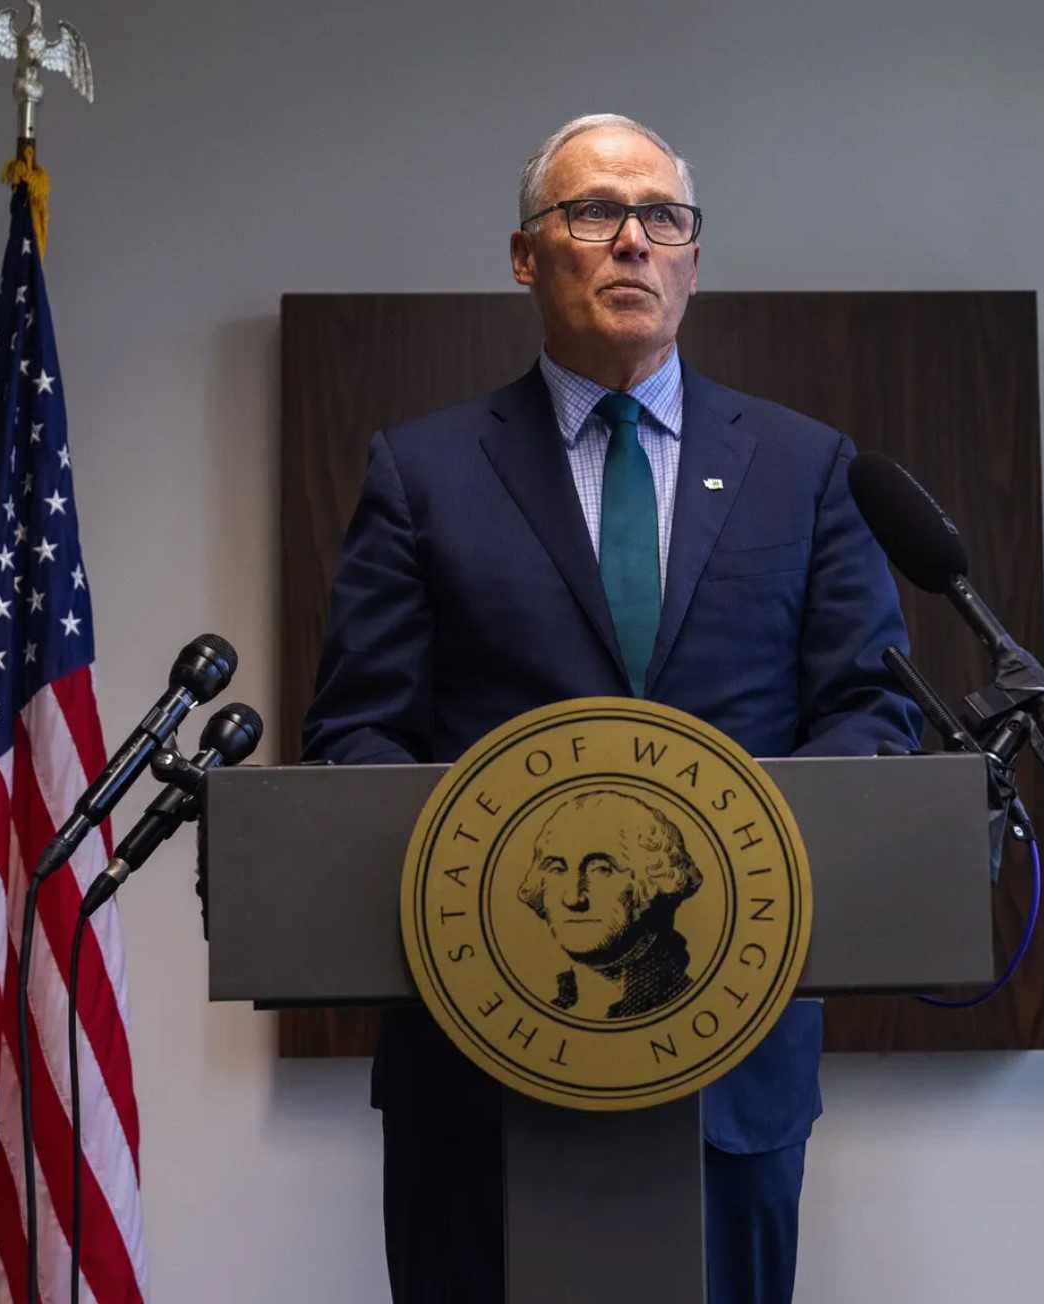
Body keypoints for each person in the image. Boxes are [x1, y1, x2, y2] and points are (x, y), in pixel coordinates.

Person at [300, 112, 924, 1304]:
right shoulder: (420, 472)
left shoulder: (807, 468)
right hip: (479, 1057)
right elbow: (357, 738)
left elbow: (867, 711)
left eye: (663, 218)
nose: (632, 240)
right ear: (527, 255)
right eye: (593, 212)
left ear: (693, 255)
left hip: (728, 1055)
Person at [517, 789, 704, 1018]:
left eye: (601, 869)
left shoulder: (682, 1005)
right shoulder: (553, 1012)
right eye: (557, 869)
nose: (574, 898)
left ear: (652, 880)